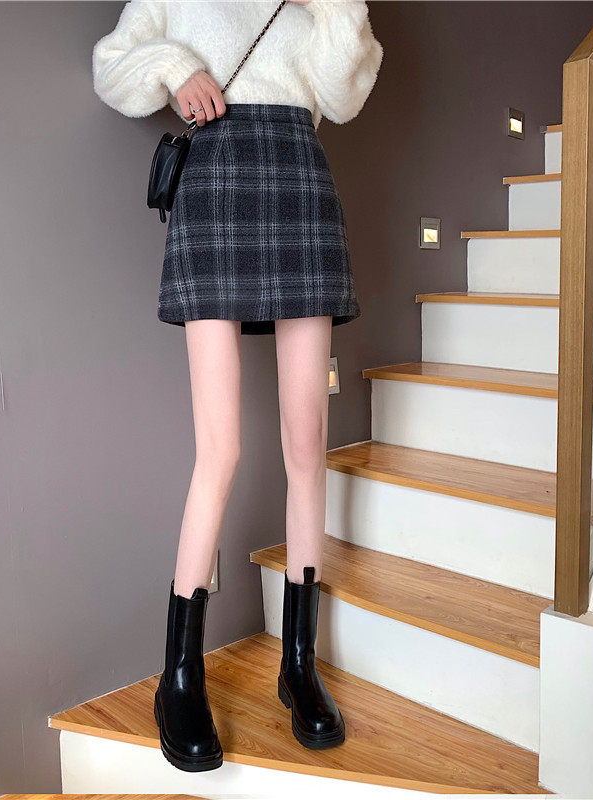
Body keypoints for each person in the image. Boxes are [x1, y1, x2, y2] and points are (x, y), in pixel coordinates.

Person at [92, 0, 383, 772]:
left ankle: (299, 664)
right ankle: (180, 677)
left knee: (307, 445)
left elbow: (345, 97)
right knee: (219, 450)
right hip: (216, 180)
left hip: (299, 178)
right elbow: (111, 66)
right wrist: (175, 66)